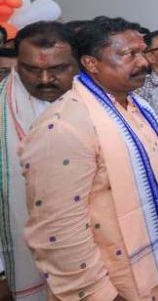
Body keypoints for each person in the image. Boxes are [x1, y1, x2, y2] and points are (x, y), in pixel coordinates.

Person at [19, 16, 158, 300]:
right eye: (128, 54)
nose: (143, 63)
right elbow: (57, 230)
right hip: (114, 284)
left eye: (141, 53)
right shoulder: (63, 126)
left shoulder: (139, 107)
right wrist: (99, 294)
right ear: (91, 63)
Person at [0, 22, 79, 301]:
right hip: (23, 260)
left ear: (79, 63)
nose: (45, 79)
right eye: (31, 70)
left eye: (58, 68)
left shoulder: (99, 102)